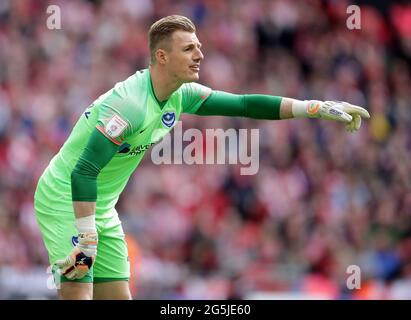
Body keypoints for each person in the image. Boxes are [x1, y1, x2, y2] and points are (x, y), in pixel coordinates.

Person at [34, 15, 370, 300]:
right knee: (79, 293)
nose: (200, 54)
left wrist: (315, 107)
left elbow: (244, 104)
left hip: (101, 206)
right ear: (162, 57)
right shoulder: (130, 107)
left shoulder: (181, 95)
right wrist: (86, 240)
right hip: (66, 198)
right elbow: (83, 172)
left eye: (198, 46)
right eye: (189, 48)